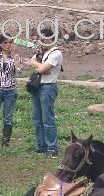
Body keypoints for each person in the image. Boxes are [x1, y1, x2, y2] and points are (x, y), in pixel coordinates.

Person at [28, 27, 64, 158]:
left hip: (48, 87)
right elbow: (32, 62)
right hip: (38, 87)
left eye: (44, 39)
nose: (42, 42)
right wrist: (40, 67)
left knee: (48, 118)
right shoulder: (40, 53)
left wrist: (39, 67)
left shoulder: (56, 53)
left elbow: (43, 68)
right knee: (37, 118)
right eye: (40, 39)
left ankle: (52, 147)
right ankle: (41, 145)